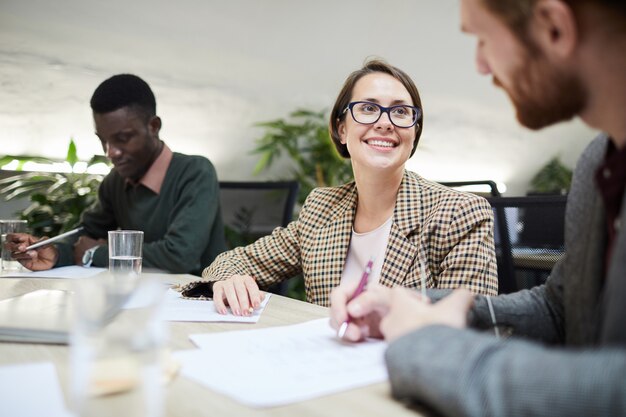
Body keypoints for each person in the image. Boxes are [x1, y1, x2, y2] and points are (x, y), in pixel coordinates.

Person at [330, 1, 626, 416]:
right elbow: (559, 308)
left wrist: (434, 347)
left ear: (554, 27)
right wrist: (412, 306)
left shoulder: (457, 210)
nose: (481, 65)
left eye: (482, 38)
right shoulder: (598, 161)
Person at [185, 59, 498, 315]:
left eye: (401, 111)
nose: (386, 122)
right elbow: (229, 262)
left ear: (414, 132)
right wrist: (228, 280)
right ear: (341, 127)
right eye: (368, 108)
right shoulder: (322, 208)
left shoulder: (458, 212)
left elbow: (470, 326)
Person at [7, 74, 226, 276]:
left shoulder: (196, 172)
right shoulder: (116, 181)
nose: (110, 152)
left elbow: (179, 256)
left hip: (200, 301)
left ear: (153, 127)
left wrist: (95, 254)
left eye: (123, 138)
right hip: (140, 299)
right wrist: (53, 252)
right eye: (103, 140)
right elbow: (85, 235)